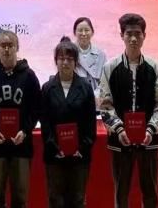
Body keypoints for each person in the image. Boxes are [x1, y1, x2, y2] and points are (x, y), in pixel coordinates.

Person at [98, 13, 158, 208]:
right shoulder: (109, 67)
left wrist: (151, 129)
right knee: (121, 193)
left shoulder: (154, 67)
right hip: (119, 140)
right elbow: (105, 105)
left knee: (150, 193)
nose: (133, 38)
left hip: (149, 140)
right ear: (121, 35)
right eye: (128, 34)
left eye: (137, 34)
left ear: (144, 36)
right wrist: (119, 129)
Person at [0, 29, 42, 208]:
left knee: (20, 197)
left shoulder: (29, 76)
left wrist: (25, 130)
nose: (6, 49)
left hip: (21, 145)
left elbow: (36, 109)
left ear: (17, 48)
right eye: (2, 46)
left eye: (10, 45)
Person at [40, 38, 97, 208]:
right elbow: (45, 123)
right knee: (56, 200)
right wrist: (55, 147)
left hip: (80, 155)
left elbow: (90, 124)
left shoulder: (85, 87)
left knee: (78, 199)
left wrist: (82, 148)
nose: (65, 62)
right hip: (54, 155)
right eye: (61, 58)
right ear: (55, 61)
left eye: (70, 59)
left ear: (76, 62)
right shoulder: (47, 88)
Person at [72, 17, 107, 98]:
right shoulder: (70, 53)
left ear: (92, 32)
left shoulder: (101, 54)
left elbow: (105, 80)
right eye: (80, 30)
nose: (83, 34)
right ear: (74, 33)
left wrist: (96, 95)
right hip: (75, 96)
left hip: (96, 96)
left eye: (87, 30)